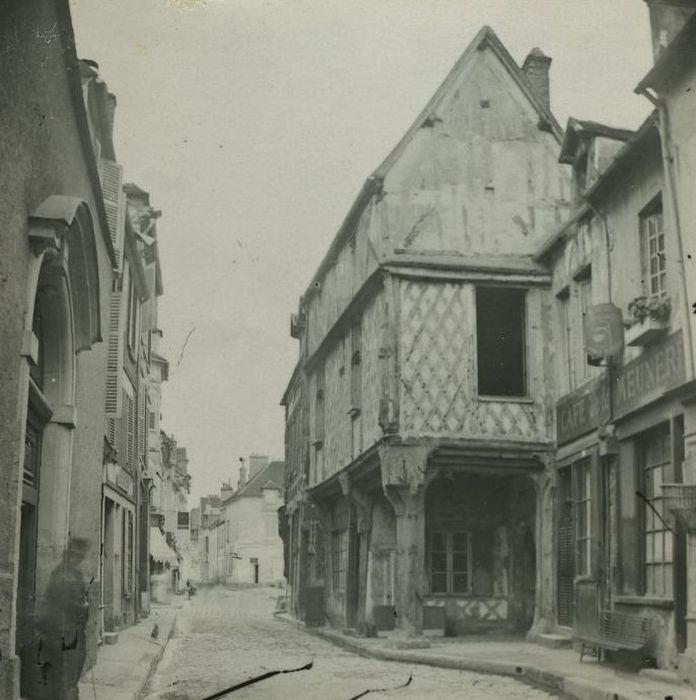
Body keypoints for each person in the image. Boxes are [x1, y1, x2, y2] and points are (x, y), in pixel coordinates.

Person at [35, 536, 90, 700]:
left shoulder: (67, 573)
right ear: (70, 555)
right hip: (65, 635)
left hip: (67, 634)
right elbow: (67, 604)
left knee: (67, 679)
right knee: (67, 679)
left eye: (80, 556)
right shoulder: (65, 576)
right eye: (77, 556)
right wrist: (84, 607)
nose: (79, 559)